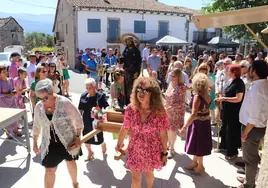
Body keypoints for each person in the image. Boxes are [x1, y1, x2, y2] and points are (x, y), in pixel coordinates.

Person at [116, 77, 169, 188]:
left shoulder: (159, 112)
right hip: (135, 148)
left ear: (153, 94)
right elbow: (125, 127)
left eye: (145, 91)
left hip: (152, 148)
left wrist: (164, 153)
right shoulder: (131, 109)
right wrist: (119, 144)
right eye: (139, 89)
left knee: (149, 173)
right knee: (135, 178)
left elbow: (163, 134)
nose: (141, 93)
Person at [33, 79, 83, 188]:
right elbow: (36, 125)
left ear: (52, 92)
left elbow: (78, 120)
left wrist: (78, 137)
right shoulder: (39, 107)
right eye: (39, 98)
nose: (42, 101)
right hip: (50, 143)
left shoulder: (65, 103)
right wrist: (35, 141)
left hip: (68, 140)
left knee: (70, 162)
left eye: (45, 98)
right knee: (49, 170)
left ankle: (75, 183)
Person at [235, 60, 268, 188]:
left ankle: (249, 185)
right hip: (256, 127)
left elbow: (254, 117)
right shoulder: (262, 84)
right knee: (252, 157)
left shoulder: (257, 89)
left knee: (250, 159)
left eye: (250, 69)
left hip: (252, 129)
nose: (248, 72)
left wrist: (245, 132)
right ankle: (250, 178)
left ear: (254, 71)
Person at [180, 73, 212, 175]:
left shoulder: (197, 96)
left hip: (198, 124)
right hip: (205, 122)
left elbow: (193, 114)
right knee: (197, 144)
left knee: (198, 144)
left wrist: (184, 127)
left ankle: (200, 165)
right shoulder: (207, 94)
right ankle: (194, 162)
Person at [216, 64, 245, 160]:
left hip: (234, 111)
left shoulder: (239, 83)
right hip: (227, 110)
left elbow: (238, 98)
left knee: (231, 131)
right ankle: (224, 147)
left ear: (234, 72)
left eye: (229, 70)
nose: (228, 72)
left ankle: (233, 152)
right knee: (225, 128)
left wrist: (224, 98)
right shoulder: (231, 81)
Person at [78, 78, 109, 160]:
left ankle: (103, 143)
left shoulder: (100, 96)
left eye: (90, 88)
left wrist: (101, 113)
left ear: (94, 86)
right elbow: (80, 109)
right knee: (86, 137)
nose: (88, 90)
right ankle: (90, 152)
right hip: (86, 120)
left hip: (96, 119)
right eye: (86, 88)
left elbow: (106, 107)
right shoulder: (83, 95)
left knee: (98, 137)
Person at [165, 68, 187, 159]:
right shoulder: (170, 84)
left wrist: (171, 107)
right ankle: (169, 145)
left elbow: (182, 103)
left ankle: (171, 149)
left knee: (172, 131)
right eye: (171, 75)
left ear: (178, 77)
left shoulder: (181, 87)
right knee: (168, 130)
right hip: (167, 111)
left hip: (175, 112)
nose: (171, 77)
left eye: (173, 76)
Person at [0, 66, 21, 138]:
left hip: (12, 101)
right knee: (6, 118)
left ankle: (15, 130)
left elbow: (12, 89)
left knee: (15, 116)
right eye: (3, 72)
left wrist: (14, 92)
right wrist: (8, 94)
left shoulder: (11, 80)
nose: (6, 72)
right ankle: (8, 133)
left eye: (6, 71)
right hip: (3, 103)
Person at [122, 37, 142, 105]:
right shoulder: (126, 49)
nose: (128, 42)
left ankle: (133, 103)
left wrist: (137, 72)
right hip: (126, 71)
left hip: (133, 71)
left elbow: (139, 62)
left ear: (132, 42)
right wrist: (118, 58)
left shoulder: (136, 50)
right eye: (127, 41)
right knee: (126, 88)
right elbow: (123, 59)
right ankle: (127, 103)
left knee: (132, 87)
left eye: (129, 41)